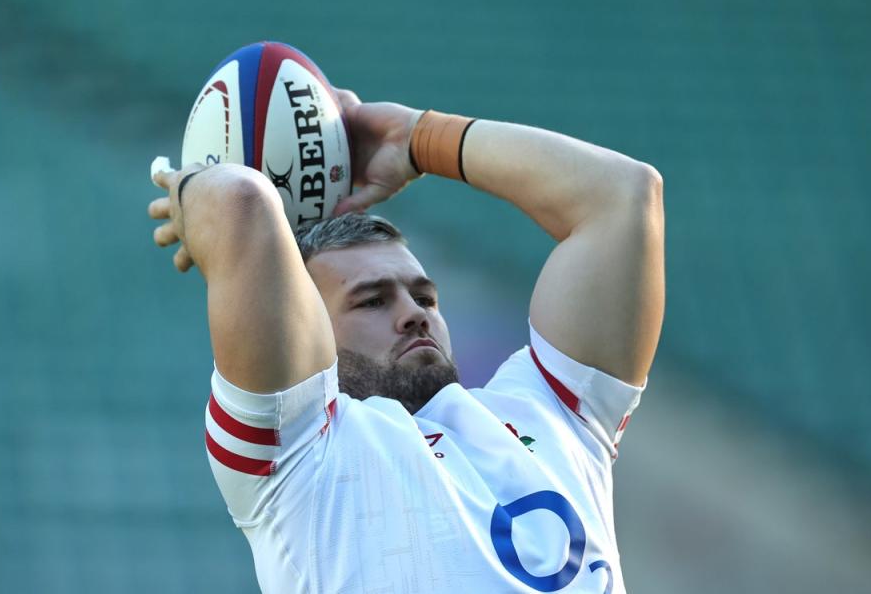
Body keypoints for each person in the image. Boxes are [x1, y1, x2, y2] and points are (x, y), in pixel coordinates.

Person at [148, 89, 664, 593]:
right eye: (372, 300)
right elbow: (241, 200)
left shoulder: (553, 414)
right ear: (306, 332)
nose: (414, 315)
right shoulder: (296, 453)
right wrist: (195, 188)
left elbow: (623, 193)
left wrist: (420, 138)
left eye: (426, 297)